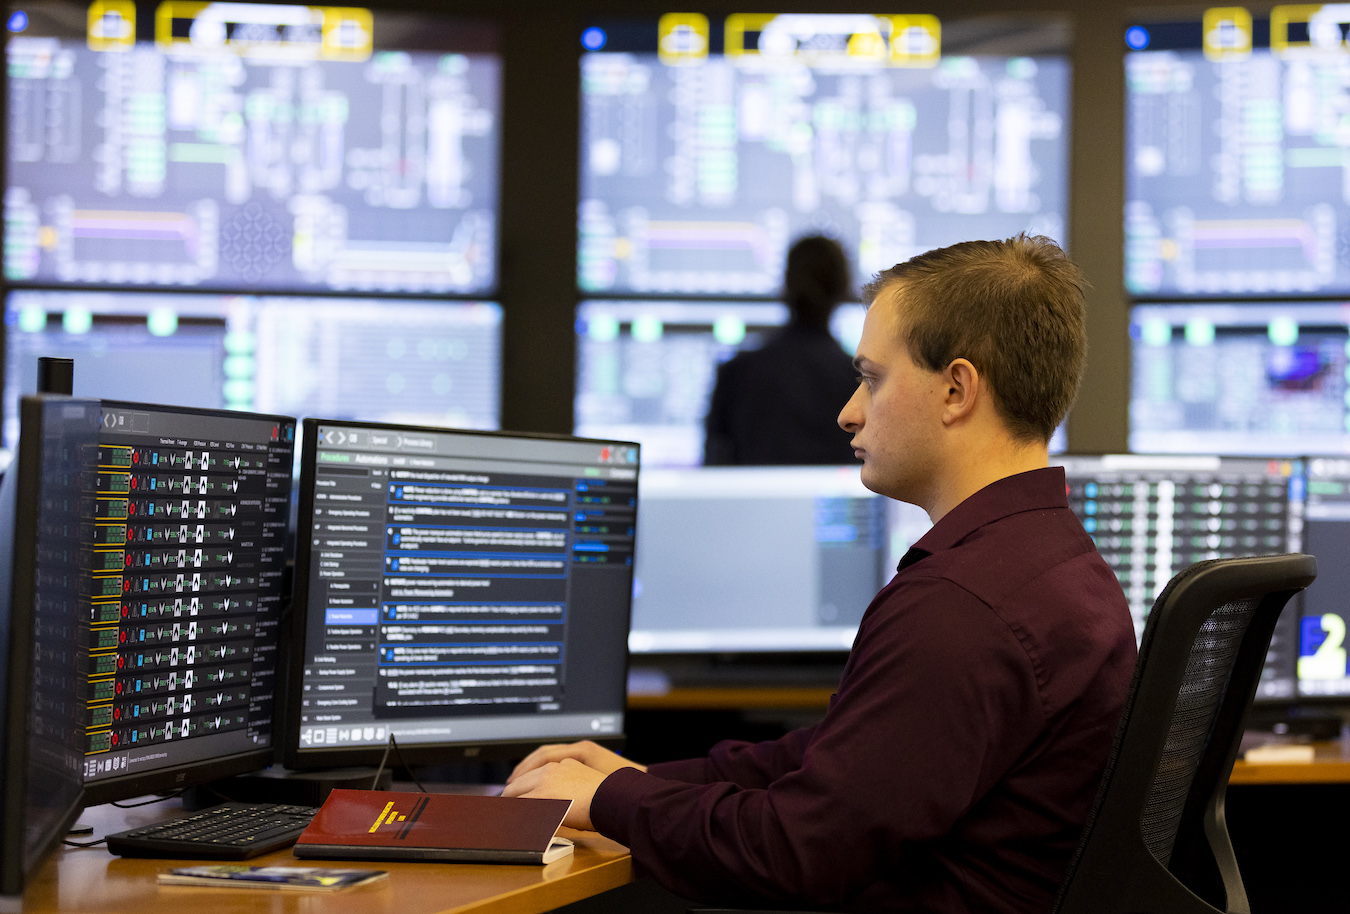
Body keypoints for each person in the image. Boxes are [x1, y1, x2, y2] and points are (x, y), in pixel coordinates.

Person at [504, 236, 1138, 913]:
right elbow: (840, 760)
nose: (848, 412)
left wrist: (610, 801)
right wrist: (641, 779)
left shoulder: (960, 608)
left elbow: (795, 851)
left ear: (956, 389)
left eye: (872, 378)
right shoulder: (1053, 559)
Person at [704, 234, 858, 465]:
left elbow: (713, 473)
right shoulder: (858, 382)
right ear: (844, 289)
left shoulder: (736, 375)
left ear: (785, 286)